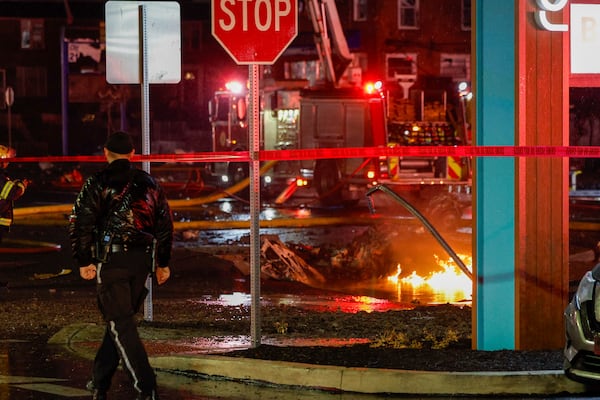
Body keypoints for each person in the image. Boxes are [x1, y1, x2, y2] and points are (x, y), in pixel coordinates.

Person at [68, 131, 173, 400]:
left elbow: (81, 223)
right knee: (119, 321)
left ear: (106, 153)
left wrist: (85, 261)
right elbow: (164, 225)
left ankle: (145, 385)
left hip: (112, 260)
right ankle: (99, 381)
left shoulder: (98, 181)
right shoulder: (150, 183)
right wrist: (162, 263)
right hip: (141, 262)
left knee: (121, 324)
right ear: (133, 154)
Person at [0, 145, 28, 243]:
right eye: (6, 160)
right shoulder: (1, 178)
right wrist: (22, 186)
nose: (8, 162)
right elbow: (12, 193)